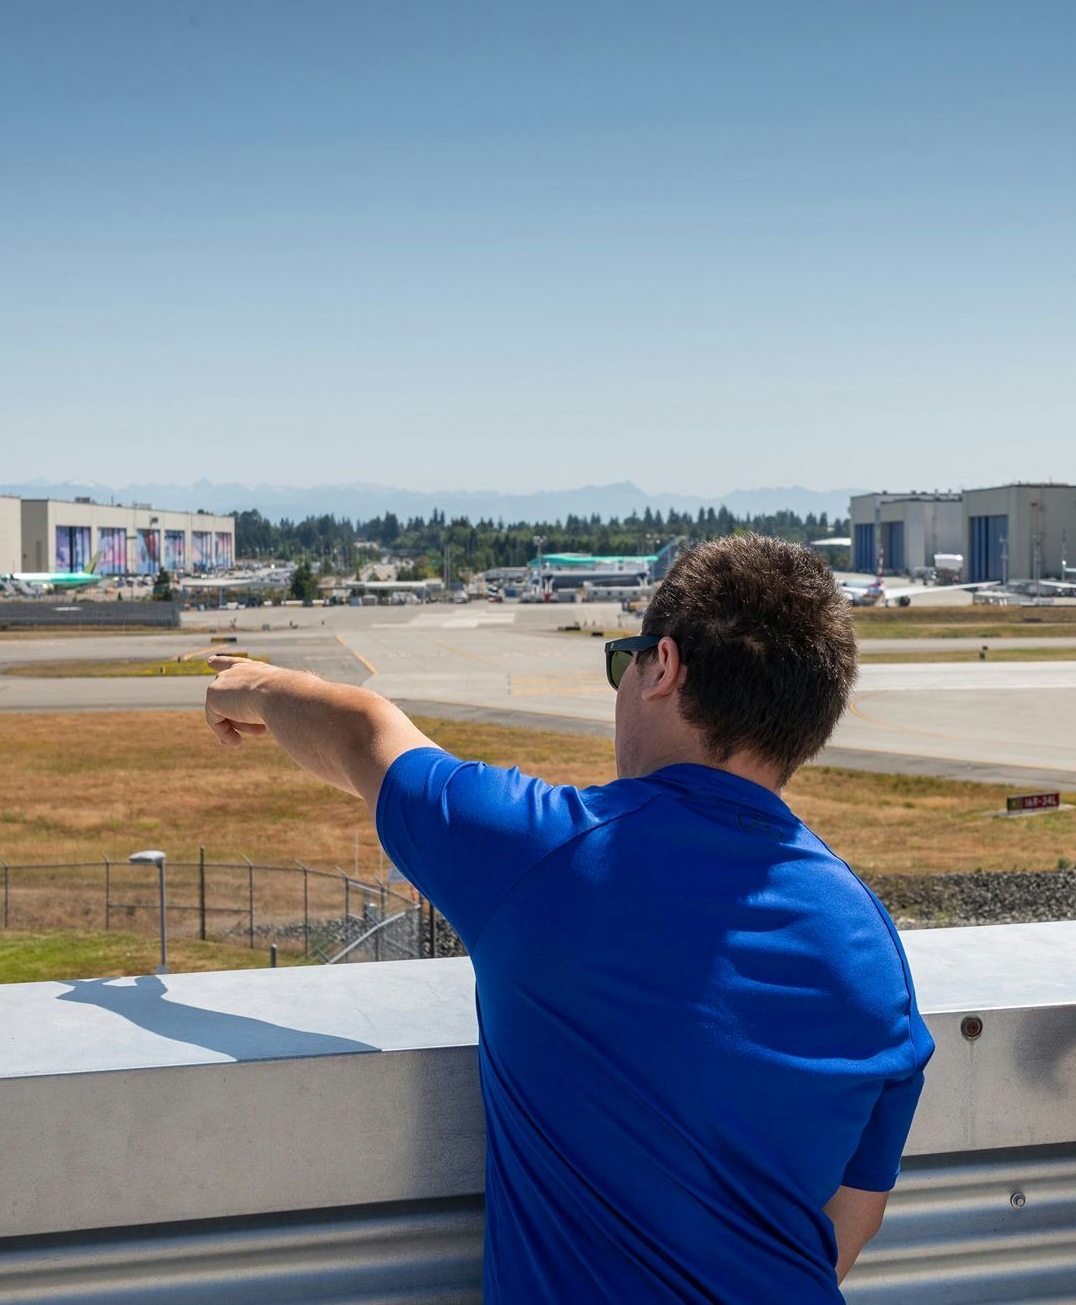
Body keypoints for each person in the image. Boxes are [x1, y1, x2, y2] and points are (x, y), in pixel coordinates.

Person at [203, 534, 933, 1302]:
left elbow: (362, 735)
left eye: (626, 659)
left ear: (666, 669)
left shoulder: (547, 852)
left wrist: (256, 682)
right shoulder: (873, 946)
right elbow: (849, 1225)